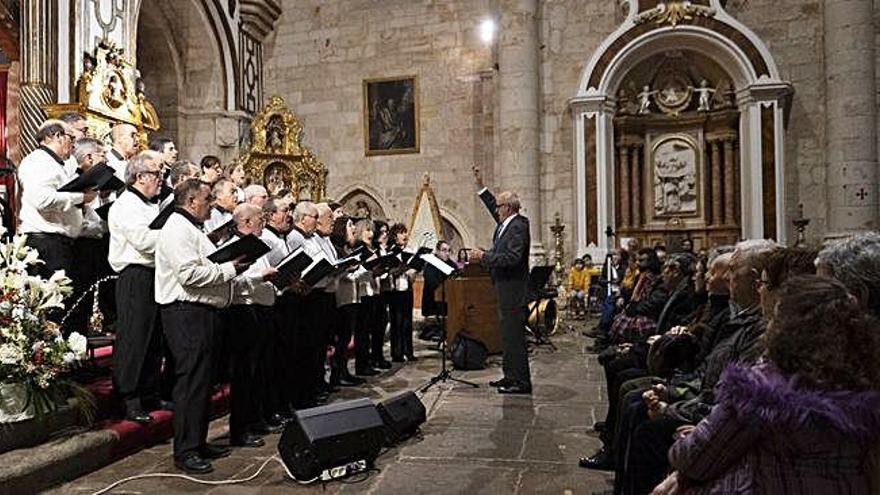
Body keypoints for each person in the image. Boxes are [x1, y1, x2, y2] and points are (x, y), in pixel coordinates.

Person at [659, 275, 880, 494]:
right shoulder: (868, 392)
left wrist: (684, 458)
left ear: (786, 330)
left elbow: (693, 459)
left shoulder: (759, 391)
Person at [154, 178, 252, 474]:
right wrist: (229, 268)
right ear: (192, 201)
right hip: (186, 313)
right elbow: (189, 275)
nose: (211, 205)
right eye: (208, 199)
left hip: (202, 311)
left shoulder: (190, 228)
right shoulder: (176, 228)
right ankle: (184, 450)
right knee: (191, 382)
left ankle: (197, 441)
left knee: (203, 382)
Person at [107, 150, 164, 424]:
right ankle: (128, 397)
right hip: (134, 274)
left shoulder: (150, 204)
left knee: (153, 336)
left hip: (154, 273)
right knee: (134, 336)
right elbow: (143, 241)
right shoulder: (127, 204)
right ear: (140, 177)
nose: (161, 179)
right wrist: (172, 235)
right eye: (157, 174)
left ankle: (149, 391)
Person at [470, 165, 532, 394]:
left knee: (515, 337)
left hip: (513, 290)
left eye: (498, 206)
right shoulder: (508, 223)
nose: (495, 210)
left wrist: (483, 256)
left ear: (507, 208)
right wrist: (480, 186)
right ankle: (509, 376)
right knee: (506, 336)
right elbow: (490, 205)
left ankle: (521, 382)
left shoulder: (518, 226)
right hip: (505, 289)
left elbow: (513, 258)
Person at [223, 203, 278, 448]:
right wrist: (261, 277)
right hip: (242, 312)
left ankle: (255, 419)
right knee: (244, 373)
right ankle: (239, 429)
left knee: (260, 371)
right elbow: (232, 282)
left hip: (261, 310)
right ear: (246, 222)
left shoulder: (258, 244)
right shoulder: (233, 247)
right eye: (259, 219)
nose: (263, 223)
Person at [18, 120, 93, 286]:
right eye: (71, 139)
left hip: (57, 244)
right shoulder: (38, 162)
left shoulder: (55, 164)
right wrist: (80, 197)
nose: (74, 146)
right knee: (51, 305)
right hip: (45, 245)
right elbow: (43, 199)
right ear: (57, 136)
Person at [387, 222, 416, 363]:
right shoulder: (390, 252)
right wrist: (400, 269)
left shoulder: (409, 251)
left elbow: (412, 273)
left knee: (407, 322)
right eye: (402, 232)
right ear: (394, 235)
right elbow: (388, 272)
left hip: (407, 289)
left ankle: (409, 352)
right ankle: (397, 353)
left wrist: (413, 269)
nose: (405, 235)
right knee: (397, 322)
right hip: (395, 291)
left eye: (406, 232)